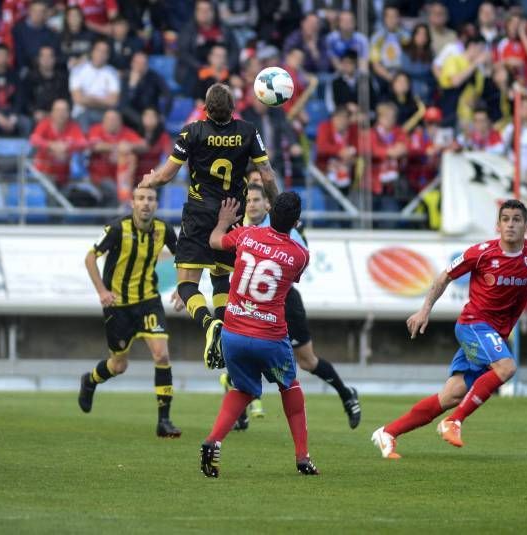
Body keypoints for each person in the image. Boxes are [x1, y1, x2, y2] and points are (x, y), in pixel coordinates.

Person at [372, 199, 527, 458]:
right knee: (507, 367)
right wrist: (425, 310)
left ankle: (388, 433)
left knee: (451, 396)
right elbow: (445, 276)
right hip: (473, 325)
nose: (511, 224)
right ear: (498, 225)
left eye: (517, 220)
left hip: (494, 335)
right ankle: (453, 422)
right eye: (506, 219)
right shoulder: (480, 253)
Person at [137, 83, 279, 368]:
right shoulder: (249, 131)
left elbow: (165, 176)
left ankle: (209, 324)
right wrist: (275, 204)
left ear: (205, 109)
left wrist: (149, 180)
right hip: (232, 213)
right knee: (220, 278)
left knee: (187, 285)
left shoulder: (192, 132)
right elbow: (266, 174)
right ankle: (225, 331)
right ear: (233, 109)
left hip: (199, 214)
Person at [221, 179, 362, 430]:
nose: (251, 205)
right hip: (251, 303)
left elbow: (298, 258)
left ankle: (346, 394)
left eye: (256, 200)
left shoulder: (283, 228)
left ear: (267, 205)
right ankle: (240, 413)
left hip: (284, 301)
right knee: (244, 351)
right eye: (248, 200)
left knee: (307, 361)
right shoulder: (243, 229)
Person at [200, 193, 318, 477]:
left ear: (269, 210)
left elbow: (215, 241)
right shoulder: (300, 255)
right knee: (289, 386)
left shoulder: (246, 234)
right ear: (297, 221)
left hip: (234, 332)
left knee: (244, 389)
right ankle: (302, 457)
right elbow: (289, 277)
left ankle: (213, 440)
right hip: (269, 336)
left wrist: (223, 222)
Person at [78, 186, 182, 439]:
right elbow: (90, 258)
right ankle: (90, 380)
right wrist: (102, 291)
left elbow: (183, 258)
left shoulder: (163, 230)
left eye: (150, 199)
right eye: (141, 199)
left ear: (156, 204)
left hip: (148, 300)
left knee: (161, 356)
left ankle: (164, 421)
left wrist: (183, 287)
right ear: (133, 203)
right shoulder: (117, 229)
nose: (146, 203)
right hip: (119, 306)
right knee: (119, 365)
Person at [29, 99, 88, 188]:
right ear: (52, 112)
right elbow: (34, 139)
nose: (61, 114)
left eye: (64, 110)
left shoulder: (73, 126)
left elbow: (83, 143)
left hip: (65, 175)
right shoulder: (44, 124)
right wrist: (51, 145)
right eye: (58, 110)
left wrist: (67, 146)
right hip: (44, 174)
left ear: (69, 113)